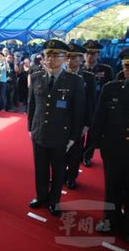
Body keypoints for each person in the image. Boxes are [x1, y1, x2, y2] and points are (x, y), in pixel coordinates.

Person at [28, 39, 85, 217]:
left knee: (58, 169)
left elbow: (78, 111)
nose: (50, 59)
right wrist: (31, 128)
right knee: (40, 167)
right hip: (39, 132)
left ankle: (54, 201)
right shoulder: (37, 76)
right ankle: (41, 196)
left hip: (61, 134)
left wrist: (73, 137)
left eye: (55, 55)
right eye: (47, 55)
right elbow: (32, 105)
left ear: (64, 57)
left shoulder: (74, 81)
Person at [91, 47, 129, 242]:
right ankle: (110, 219)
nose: (128, 69)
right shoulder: (111, 88)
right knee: (112, 187)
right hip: (113, 149)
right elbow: (100, 118)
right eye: (126, 65)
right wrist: (93, 145)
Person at [64, 43, 96, 189]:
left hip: (79, 121)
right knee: (60, 151)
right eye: (68, 57)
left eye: (74, 58)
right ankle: (61, 175)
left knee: (75, 152)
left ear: (81, 59)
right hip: (62, 120)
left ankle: (72, 177)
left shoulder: (88, 77)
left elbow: (91, 102)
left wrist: (87, 124)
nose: (70, 61)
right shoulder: (61, 75)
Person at [81, 40, 114, 167]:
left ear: (98, 55)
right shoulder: (79, 69)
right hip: (82, 107)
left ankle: (87, 155)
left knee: (93, 135)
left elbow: (110, 89)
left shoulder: (106, 69)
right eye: (87, 53)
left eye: (93, 54)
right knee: (79, 133)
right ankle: (77, 154)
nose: (90, 56)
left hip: (98, 107)